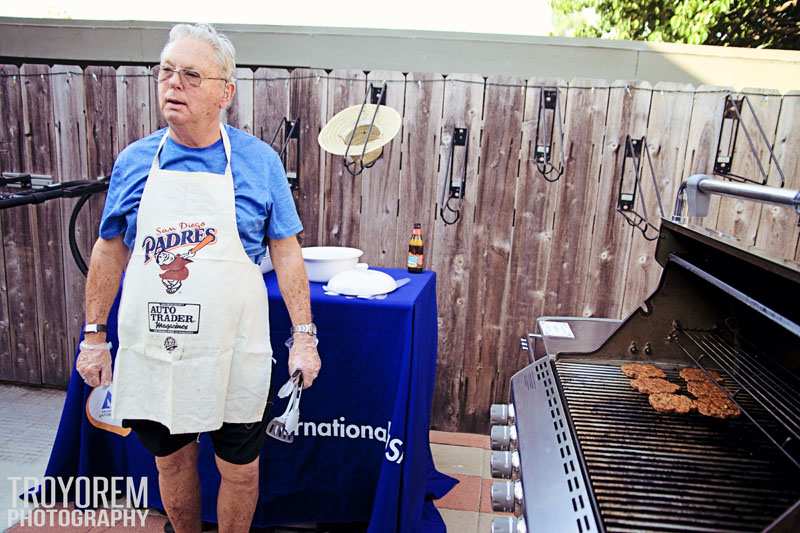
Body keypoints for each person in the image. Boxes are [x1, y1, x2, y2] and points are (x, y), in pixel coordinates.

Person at [74, 23, 321, 533]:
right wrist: (94, 336)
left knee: (240, 471)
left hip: (234, 351)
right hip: (158, 347)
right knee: (172, 461)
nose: (173, 84)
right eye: (166, 72)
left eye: (190, 74)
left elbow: (288, 252)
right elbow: (109, 247)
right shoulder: (136, 161)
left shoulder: (258, 162)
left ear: (225, 92)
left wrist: (304, 337)